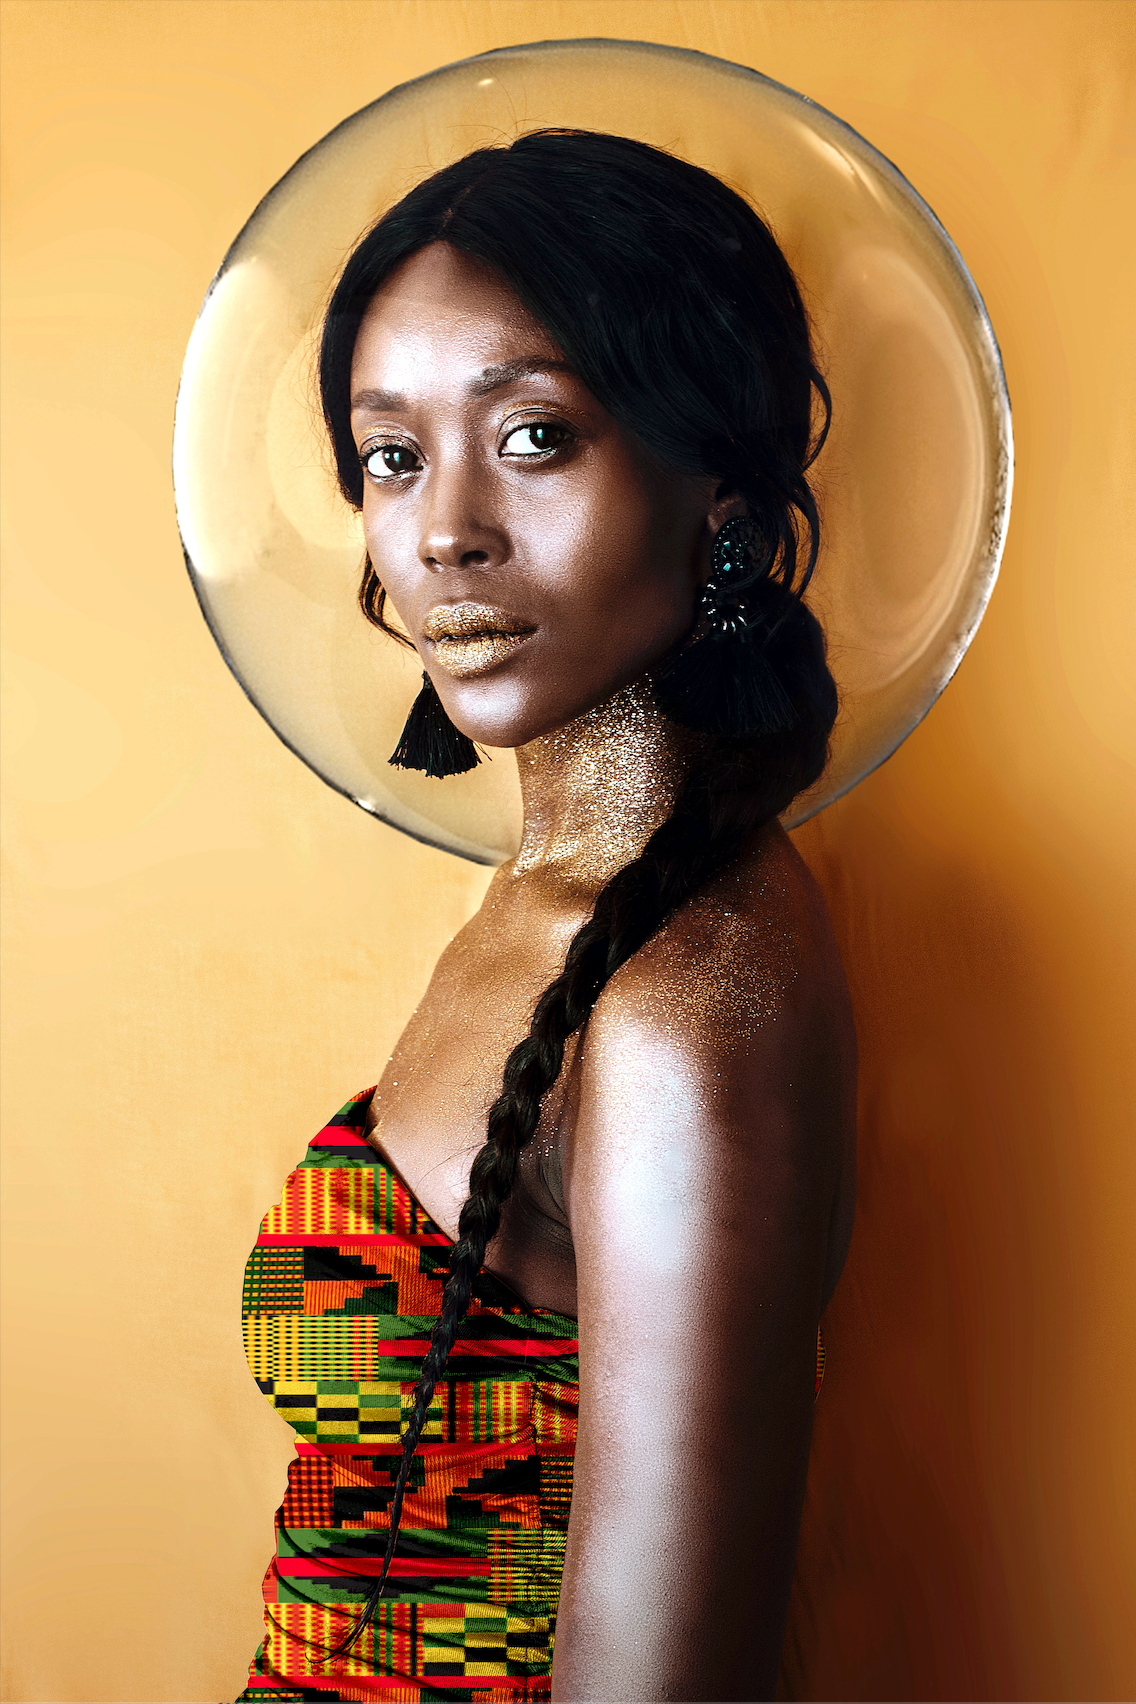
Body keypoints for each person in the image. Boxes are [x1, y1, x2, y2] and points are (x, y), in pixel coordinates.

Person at [234, 128, 856, 1704]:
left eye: (532, 436)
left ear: (717, 491)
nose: (445, 529)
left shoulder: (679, 999)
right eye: (392, 456)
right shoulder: (554, 899)